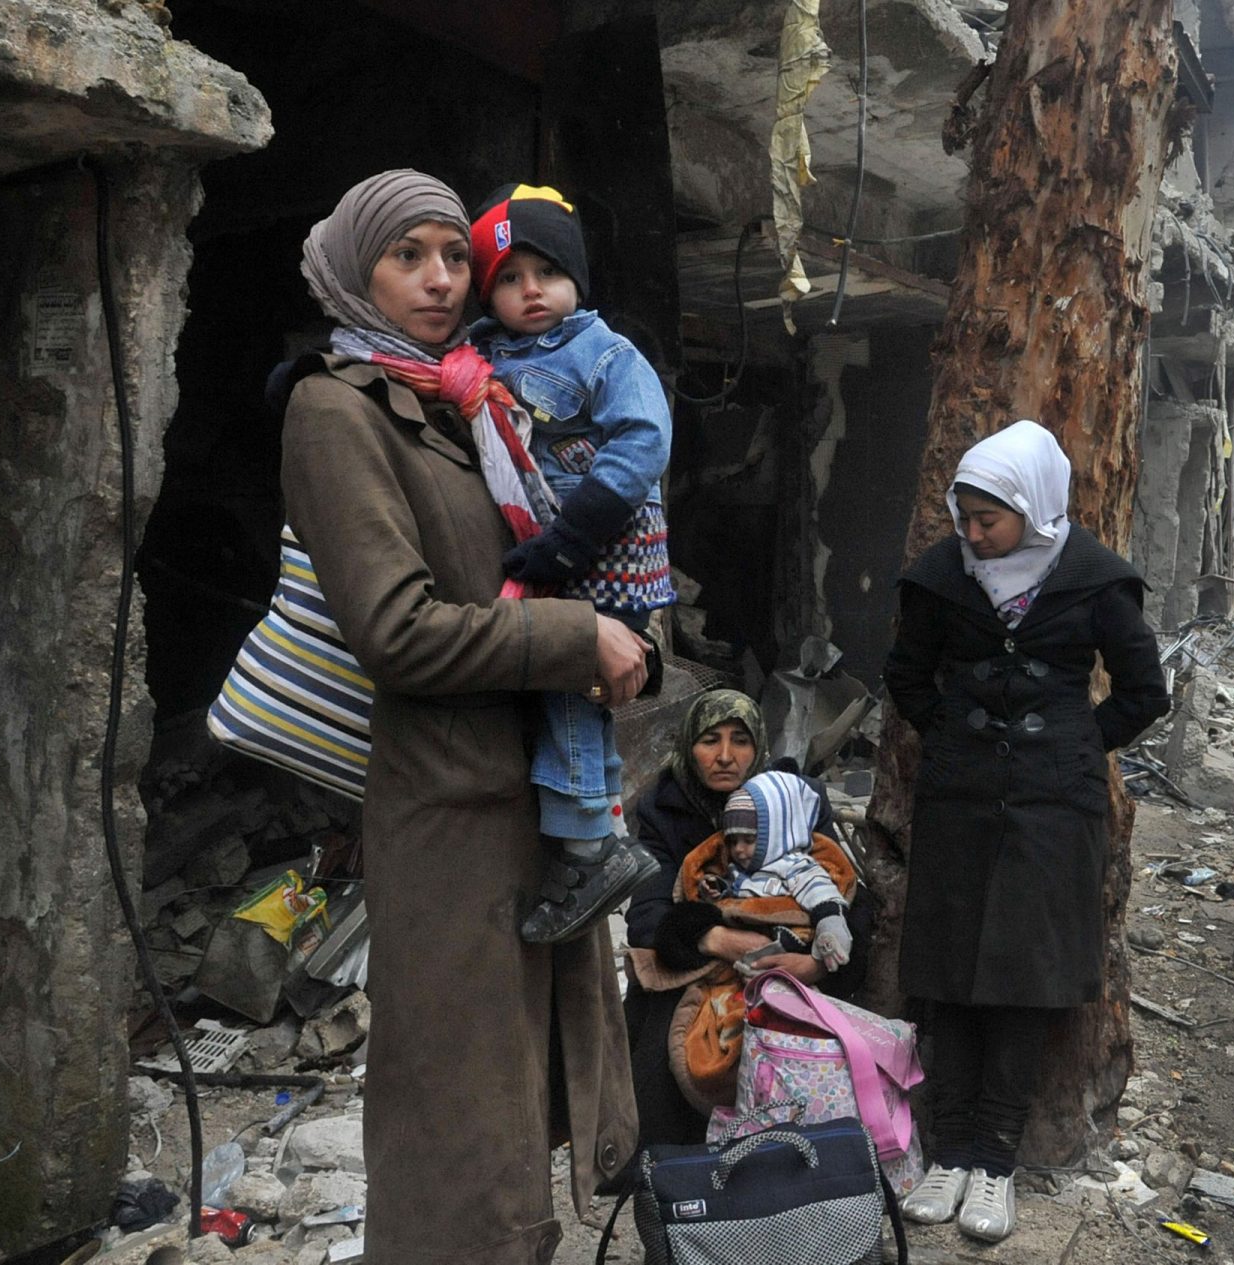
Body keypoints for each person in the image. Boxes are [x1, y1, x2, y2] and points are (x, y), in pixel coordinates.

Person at [280, 170, 644, 1262]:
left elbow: (546, 562)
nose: (443, 279)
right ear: (356, 270)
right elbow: (398, 629)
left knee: (521, 1110)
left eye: (453, 254)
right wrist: (578, 640)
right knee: (456, 1120)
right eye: (409, 256)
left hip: (533, 796)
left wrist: (632, 635)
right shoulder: (336, 406)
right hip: (448, 815)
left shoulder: (467, 395)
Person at [883, 420, 1170, 1244]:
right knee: (951, 973)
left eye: (989, 521)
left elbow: (1145, 691)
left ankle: (996, 1162)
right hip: (960, 801)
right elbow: (907, 674)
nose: (973, 535)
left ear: (1032, 508)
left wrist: (1074, 746)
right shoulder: (943, 578)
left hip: (1053, 813)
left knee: (1021, 980)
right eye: (965, 518)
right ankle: (948, 1151)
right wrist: (954, 734)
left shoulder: (1094, 582)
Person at [468, 184, 677, 944]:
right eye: (509, 276)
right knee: (558, 691)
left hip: (606, 555)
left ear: (577, 280)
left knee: (570, 693)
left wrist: (574, 537)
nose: (530, 290)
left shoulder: (604, 352)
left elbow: (644, 442)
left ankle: (590, 846)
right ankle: (589, 830)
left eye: (546, 272)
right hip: (553, 553)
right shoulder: (484, 352)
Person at [623, 690, 869, 1147]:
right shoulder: (663, 807)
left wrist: (812, 963)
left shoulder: (794, 800)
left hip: (798, 960)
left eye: (740, 740)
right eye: (709, 740)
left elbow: (846, 895)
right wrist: (725, 941)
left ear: (758, 746)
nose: (724, 756)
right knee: (666, 1063)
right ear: (687, 746)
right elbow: (647, 916)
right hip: (702, 967)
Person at [705, 772, 854, 969]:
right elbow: (733, 889)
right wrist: (716, 887)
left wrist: (830, 924)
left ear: (776, 834)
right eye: (733, 841)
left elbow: (819, 890)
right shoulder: (736, 867)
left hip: (786, 943)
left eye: (749, 840)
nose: (739, 850)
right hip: (740, 943)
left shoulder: (793, 865)